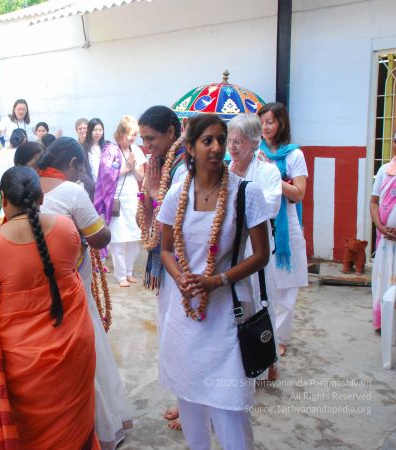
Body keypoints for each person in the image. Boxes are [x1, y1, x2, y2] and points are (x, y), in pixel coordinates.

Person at [0, 166, 99, 449]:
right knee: (73, 433)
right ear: (41, 197)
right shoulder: (67, 229)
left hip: (20, 361)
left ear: (3, 199)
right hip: (75, 348)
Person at [158, 114, 270, 449]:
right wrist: (181, 278)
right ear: (191, 148)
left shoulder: (246, 193)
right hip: (186, 315)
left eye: (222, 139)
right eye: (207, 140)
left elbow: (261, 255)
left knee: (229, 406)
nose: (218, 147)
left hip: (228, 315)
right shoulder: (176, 194)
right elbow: (165, 250)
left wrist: (217, 280)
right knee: (190, 400)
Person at [37, 137, 132, 449]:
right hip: (72, 288)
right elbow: (101, 238)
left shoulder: (28, 185)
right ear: (74, 164)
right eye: (80, 169)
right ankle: (95, 428)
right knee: (86, 360)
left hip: (38, 288)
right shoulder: (72, 191)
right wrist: (94, 209)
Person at [135, 105, 184, 429]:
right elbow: (149, 215)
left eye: (151, 139)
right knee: (172, 332)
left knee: (183, 334)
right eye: (143, 139)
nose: (146, 146)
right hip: (168, 263)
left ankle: (195, 406)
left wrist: (154, 193)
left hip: (184, 264)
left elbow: (180, 216)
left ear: (171, 132)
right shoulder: (165, 163)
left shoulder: (183, 165)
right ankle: (186, 400)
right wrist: (149, 194)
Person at [227, 113, 282, 381]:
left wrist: (240, 205)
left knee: (263, 297)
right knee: (238, 301)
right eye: (229, 141)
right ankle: (241, 359)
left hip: (256, 245)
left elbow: (269, 206)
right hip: (232, 245)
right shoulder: (226, 171)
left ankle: (268, 358)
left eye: (238, 141)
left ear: (254, 142)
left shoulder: (268, 172)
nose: (232, 147)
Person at [257, 102, 308, 357]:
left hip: (287, 223)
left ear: (282, 123)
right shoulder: (255, 151)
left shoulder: (294, 155)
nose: (265, 127)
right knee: (262, 283)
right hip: (261, 222)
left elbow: (298, 194)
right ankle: (263, 334)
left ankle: (280, 337)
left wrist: (272, 173)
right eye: (262, 122)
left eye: (270, 122)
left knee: (286, 287)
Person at [94, 115, 146, 287]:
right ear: (121, 133)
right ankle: (121, 274)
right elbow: (105, 174)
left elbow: (141, 176)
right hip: (115, 200)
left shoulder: (136, 150)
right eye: (130, 134)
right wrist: (127, 167)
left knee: (133, 239)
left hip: (132, 198)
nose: (133, 138)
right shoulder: (111, 150)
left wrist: (134, 168)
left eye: (135, 135)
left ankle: (129, 272)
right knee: (118, 239)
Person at [370, 130, 396, 333]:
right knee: (384, 281)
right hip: (386, 242)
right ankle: (383, 321)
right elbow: (374, 202)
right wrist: (379, 225)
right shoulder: (384, 171)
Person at [0, 99, 34, 180]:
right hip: (9, 155)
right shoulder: (8, 121)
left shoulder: (30, 122)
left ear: (26, 110)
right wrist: (0, 146)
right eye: (19, 109)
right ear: (14, 109)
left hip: (25, 155)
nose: (21, 112)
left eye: (23, 109)